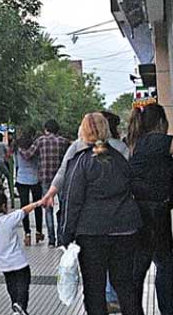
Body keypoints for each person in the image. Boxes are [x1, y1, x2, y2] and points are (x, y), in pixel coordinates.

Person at [60, 112, 143, 315]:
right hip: (125, 230)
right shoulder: (119, 158)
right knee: (125, 284)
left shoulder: (81, 161)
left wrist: (66, 233)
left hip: (92, 233)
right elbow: (133, 187)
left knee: (94, 288)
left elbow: (72, 199)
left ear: (83, 132)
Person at [127, 104, 173, 315]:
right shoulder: (161, 142)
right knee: (165, 265)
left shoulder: (135, 143)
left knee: (138, 267)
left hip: (137, 211)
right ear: (161, 122)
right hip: (157, 211)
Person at [19, 119, 69, 247]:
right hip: (61, 179)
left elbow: (28, 155)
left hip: (45, 178)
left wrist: (19, 149)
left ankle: (51, 240)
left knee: (48, 209)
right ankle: (61, 239)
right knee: (63, 207)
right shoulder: (64, 142)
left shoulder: (40, 141)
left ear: (46, 129)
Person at [12, 130, 43, 246]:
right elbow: (39, 163)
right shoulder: (35, 149)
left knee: (24, 207)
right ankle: (39, 232)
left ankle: (27, 234)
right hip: (35, 179)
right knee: (37, 206)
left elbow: (16, 165)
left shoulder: (16, 150)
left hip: (21, 179)